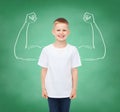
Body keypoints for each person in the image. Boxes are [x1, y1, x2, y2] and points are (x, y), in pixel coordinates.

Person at [38, 18, 82, 112]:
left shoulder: (73, 50)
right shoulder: (46, 50)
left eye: (64, 30)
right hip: (51, 91)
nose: (61, 33)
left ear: (68, 32)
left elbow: (74, 70)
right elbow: (43, 70)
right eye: (58, 30)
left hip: (67, 92)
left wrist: (74, 88)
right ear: (53, 32)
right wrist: (43, 88)